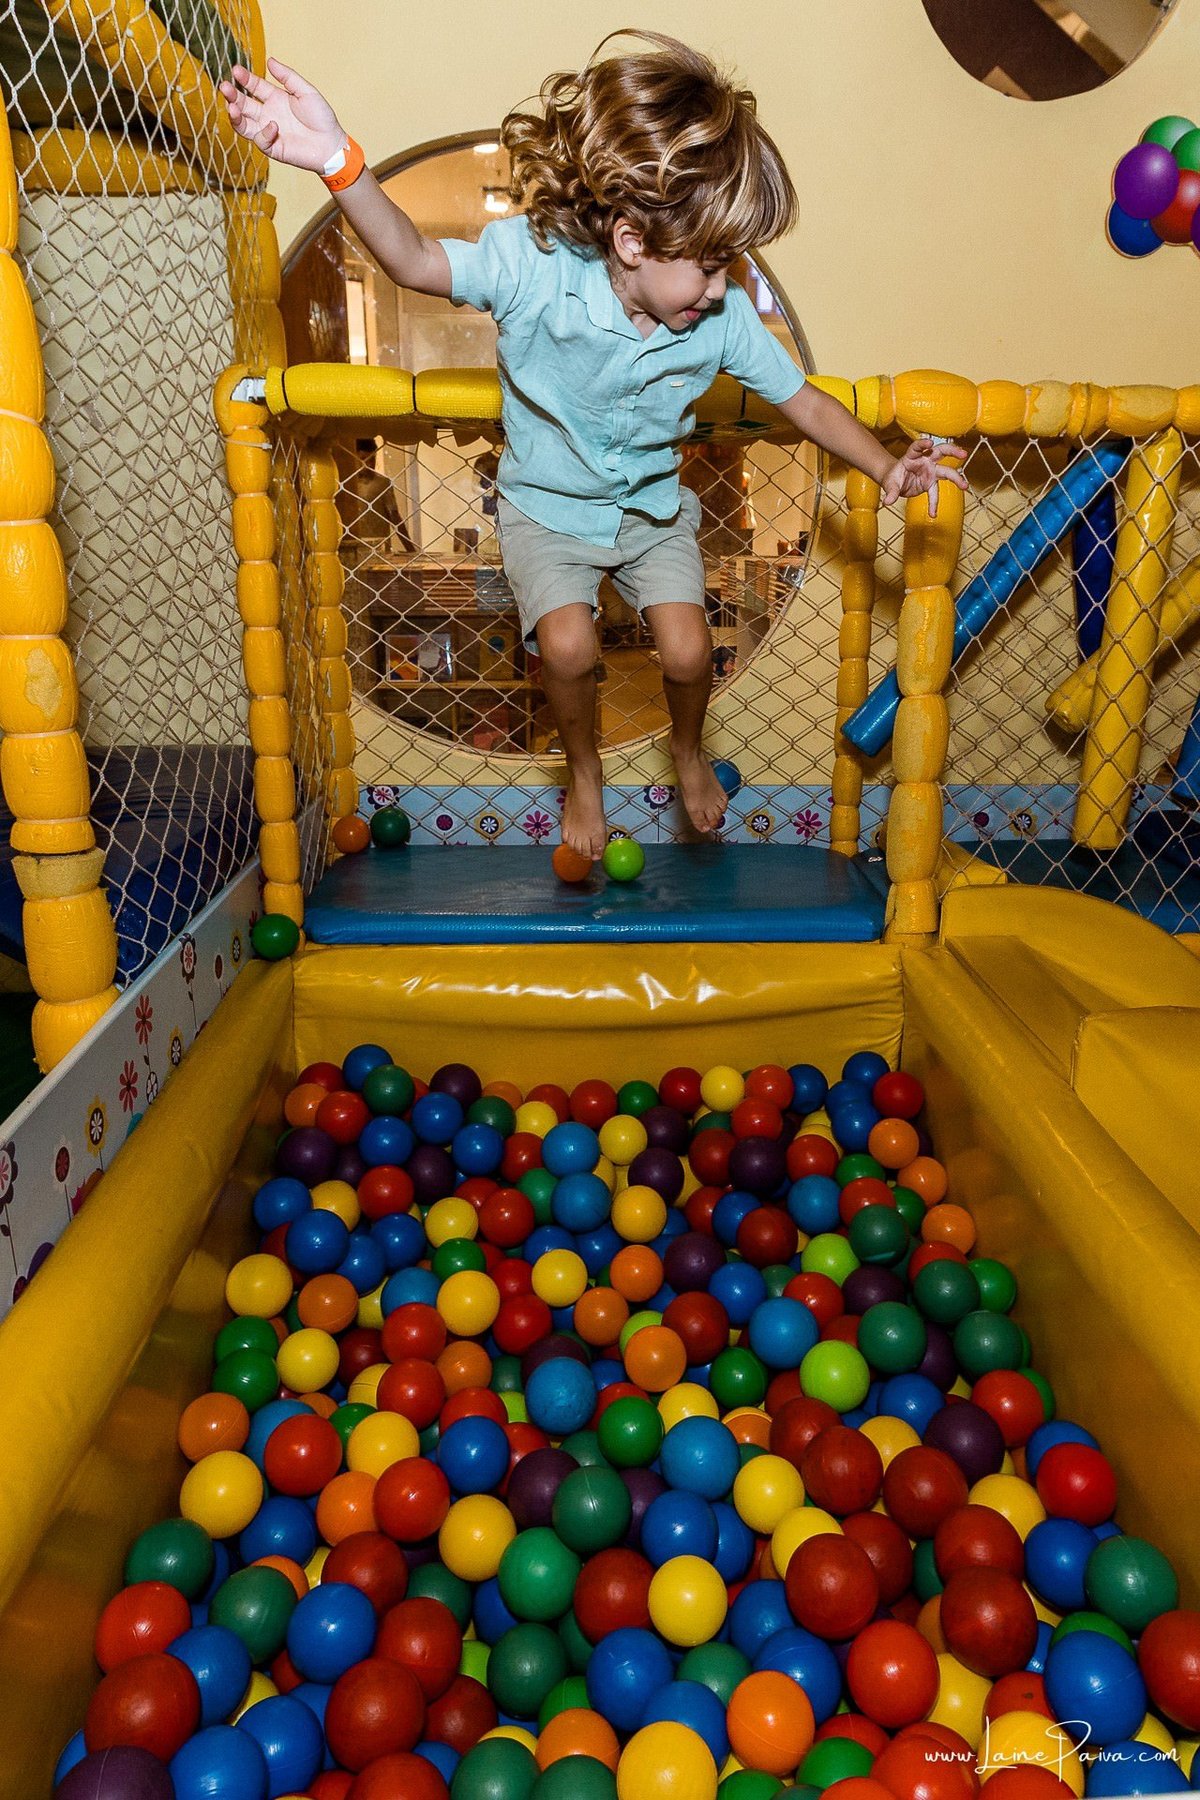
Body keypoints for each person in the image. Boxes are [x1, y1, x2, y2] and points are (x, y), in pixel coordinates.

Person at [221, 33, 967, 861]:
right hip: (544, 510)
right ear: (632, 244)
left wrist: (887, 464)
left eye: (731, 267)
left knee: (688, 651)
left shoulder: (718, 321)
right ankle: (583, 772)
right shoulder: (535, 268)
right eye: (710, 266)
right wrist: (335, 155)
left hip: (650, 511)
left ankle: (686, 751)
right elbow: (413, 257)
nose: (723, 288)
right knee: (569, 645)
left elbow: (807, 403)